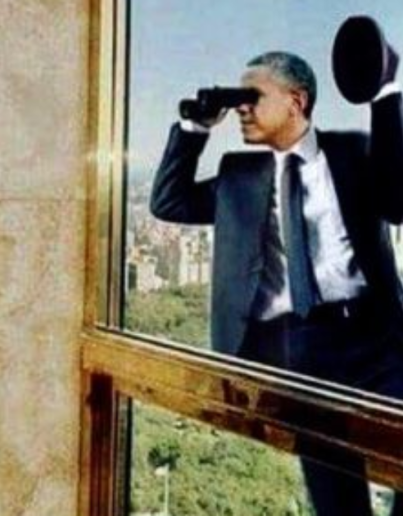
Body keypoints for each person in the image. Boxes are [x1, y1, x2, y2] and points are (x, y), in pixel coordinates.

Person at [150, 51, 403, 516]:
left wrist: (385, 92)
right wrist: (195, 127)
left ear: (296, 102)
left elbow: (398, 201)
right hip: (296, 351)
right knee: (337, 498)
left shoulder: (353, 152)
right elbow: (169, 202)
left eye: (253, 96)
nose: (242, 109)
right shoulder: (240, 176)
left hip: (375, 338)